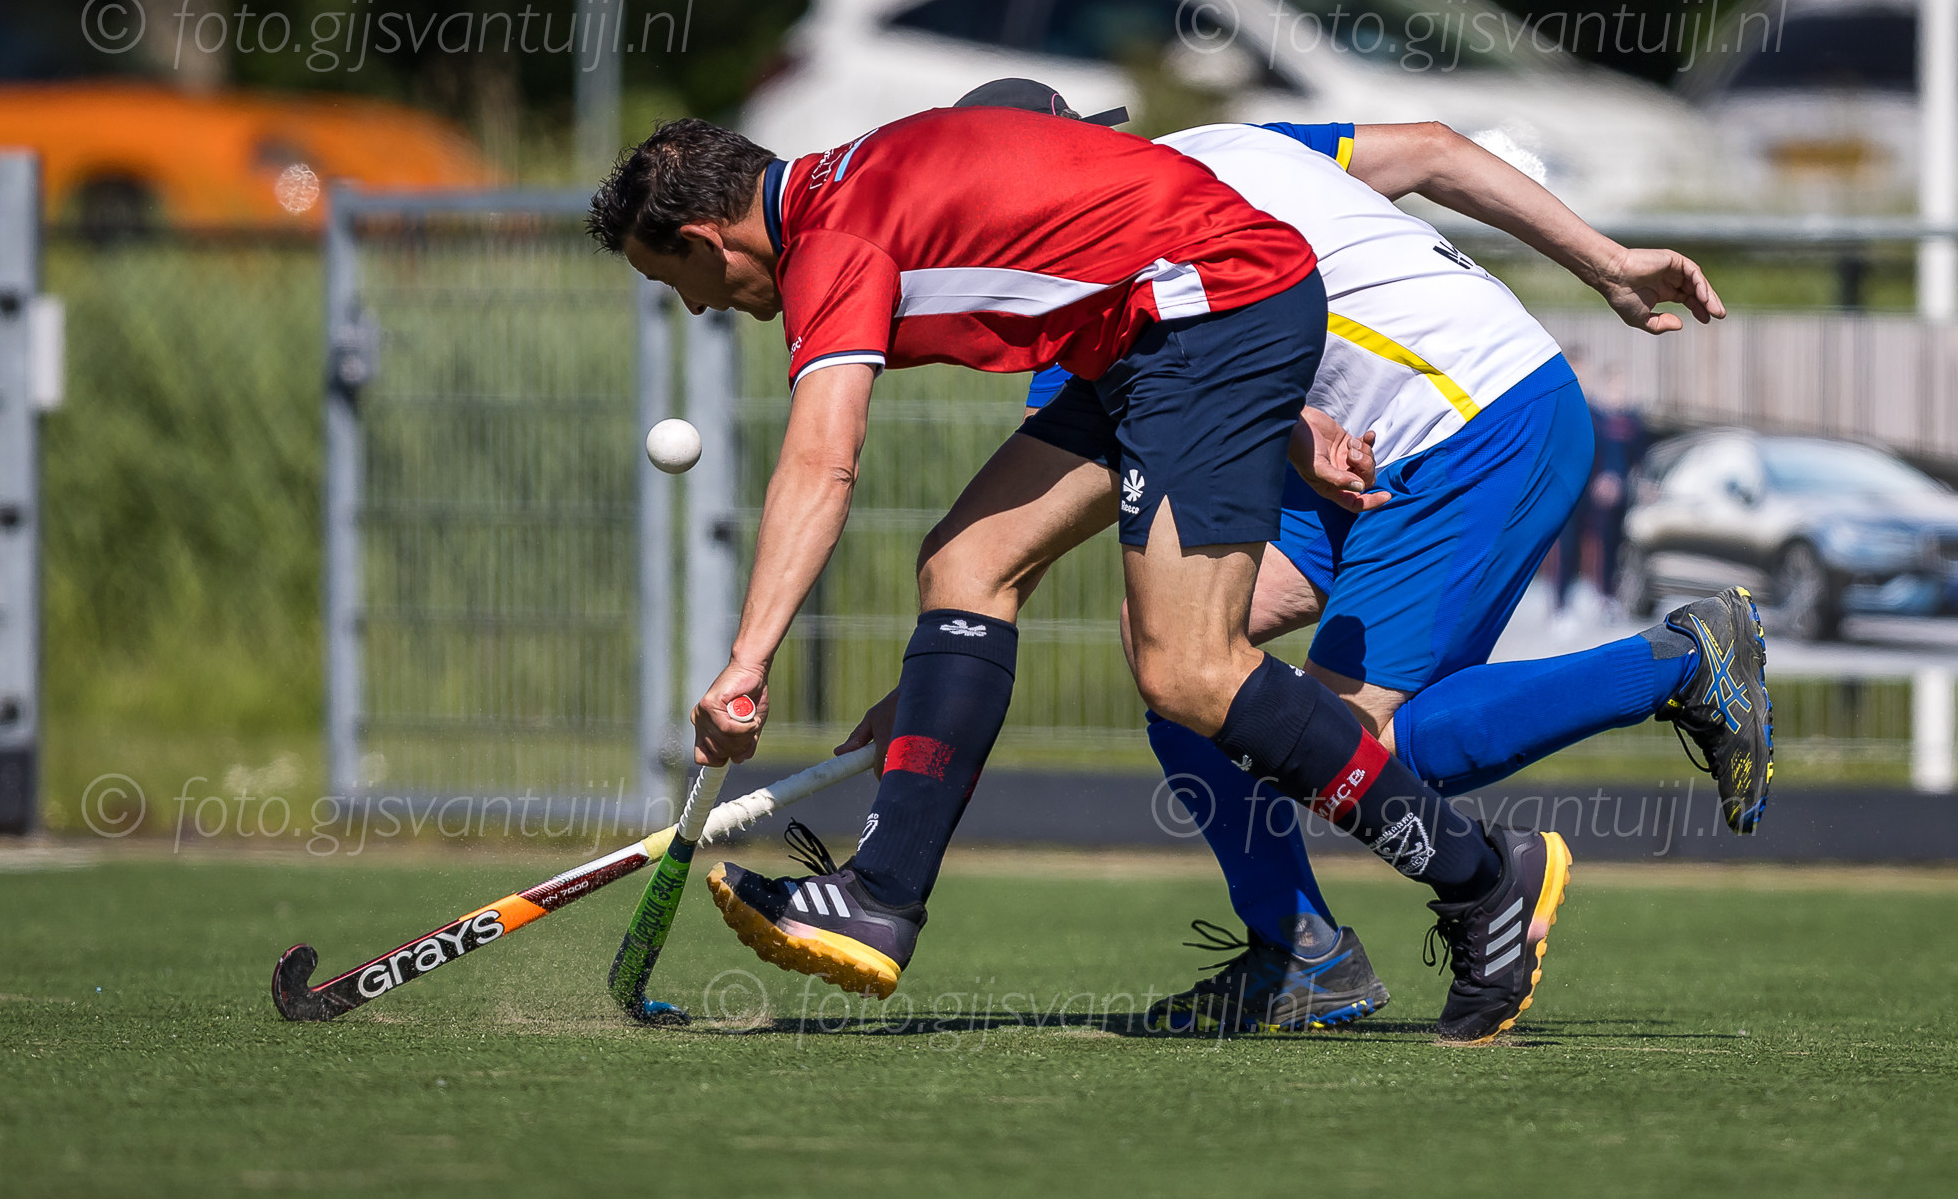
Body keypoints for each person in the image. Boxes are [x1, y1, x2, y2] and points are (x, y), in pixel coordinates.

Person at [595, 103, 1573, 1043]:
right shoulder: (848, 179)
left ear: (706, 238)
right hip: (1156, 332)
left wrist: (746, 664)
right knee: (965, 563)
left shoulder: (832, 241)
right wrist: (934, 698)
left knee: (1188, 672)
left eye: (674, 278)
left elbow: (823, 462)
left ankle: (1483, 878)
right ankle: (879, 896)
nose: (696, 304)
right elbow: (1132, 223)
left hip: (1203, 320)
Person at [960, 83, 1768, 1035]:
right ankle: (1300, 952)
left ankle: (1679, 663)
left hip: (1477, 422)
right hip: (1359, 450)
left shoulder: (1093, 256)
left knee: (1349, 748)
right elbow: (1432, 148)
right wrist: (1609, 263)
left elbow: (1036, 519)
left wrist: (948, 668)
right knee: (1178, 656)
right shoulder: (1229, 144)